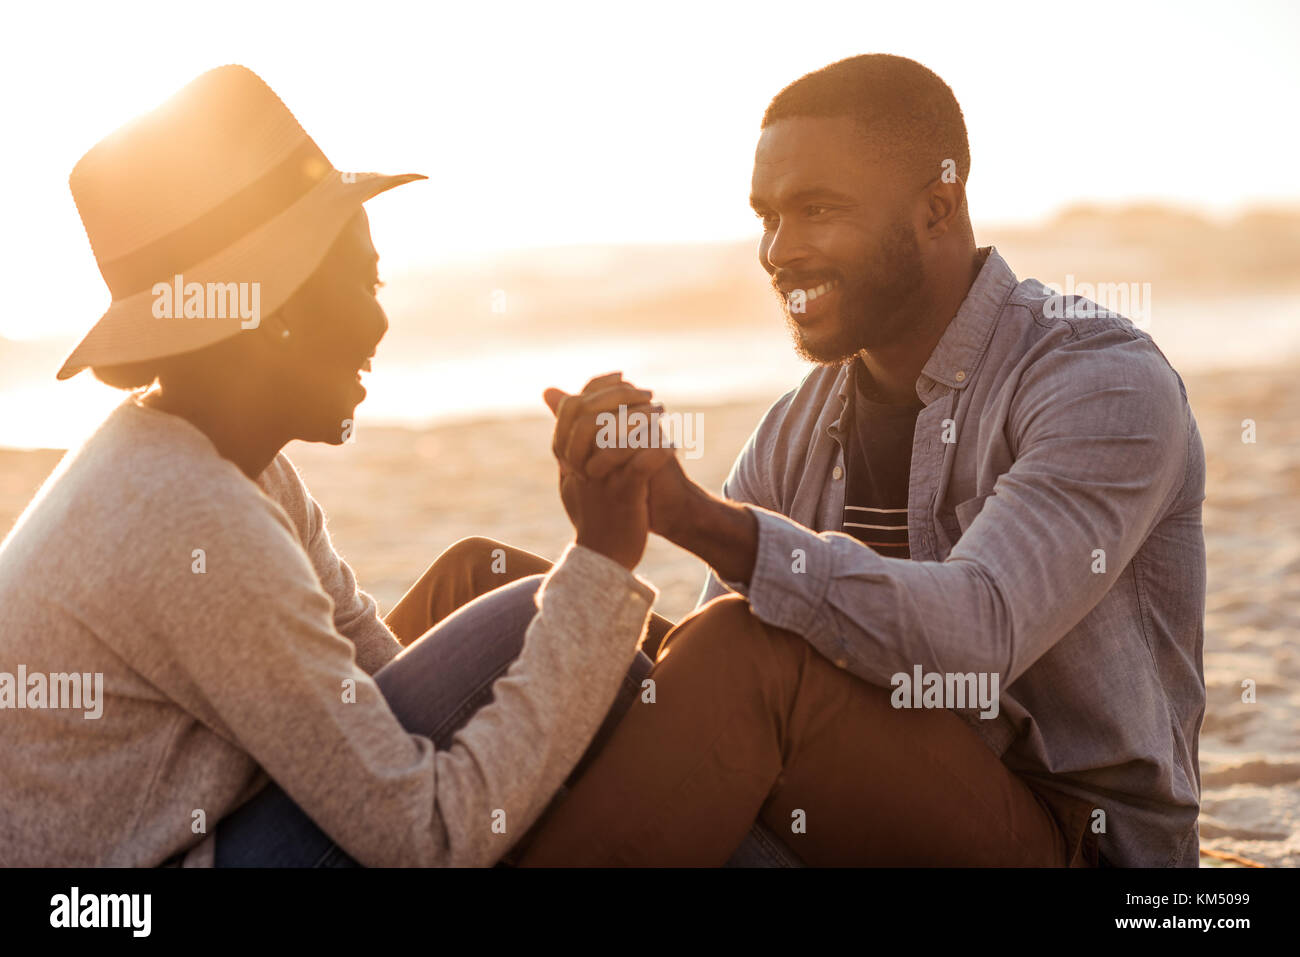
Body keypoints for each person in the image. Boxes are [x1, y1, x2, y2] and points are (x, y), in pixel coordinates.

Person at [508, 54, 1208, 866]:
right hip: (834, 809)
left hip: (1068, 840)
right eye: (767, 215)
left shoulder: (1098, 379)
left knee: (747, 650)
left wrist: (700, 519)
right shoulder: (797, 426)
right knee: (493, 596)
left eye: (816, 210)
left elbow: (978, 633)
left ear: (937, 207)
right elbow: (692, 669)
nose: (778, 250)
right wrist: (610, 525)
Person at [0, 65, 681, 867]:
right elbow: (428, 840)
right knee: (521, 622)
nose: (382, 317)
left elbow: (389, 693)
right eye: (364, 282)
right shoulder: (190, 513)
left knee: (514, 612)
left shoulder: (228, 467)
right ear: (278, 312)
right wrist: (602, 559)